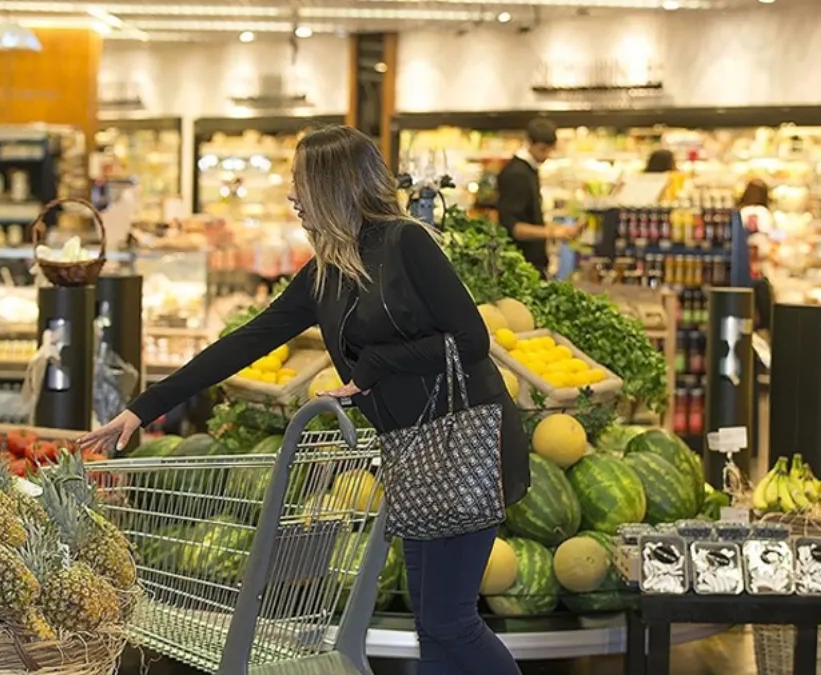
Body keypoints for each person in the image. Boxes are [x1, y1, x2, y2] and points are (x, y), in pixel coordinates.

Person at [80, 125, 528, 675]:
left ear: (332, 186)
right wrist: (141, 409)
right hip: (412, 453)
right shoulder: (325, 275)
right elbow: (242, 343)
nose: (292, 195)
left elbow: (472, 340)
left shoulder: (406, 243)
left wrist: (376, 366)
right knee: (434, 625)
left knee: (451, 622)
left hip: (465, 445)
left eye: (300, 183)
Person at [496, 117, 580, 276]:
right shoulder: (517, 174)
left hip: (527, 263)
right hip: (520, 266)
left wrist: (556, 229)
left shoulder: (528, 169)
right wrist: (553, 233)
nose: (547, 155)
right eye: (543, 149)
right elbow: (514, 227)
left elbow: (528, 216)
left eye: (550, 149)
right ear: (529, 142)